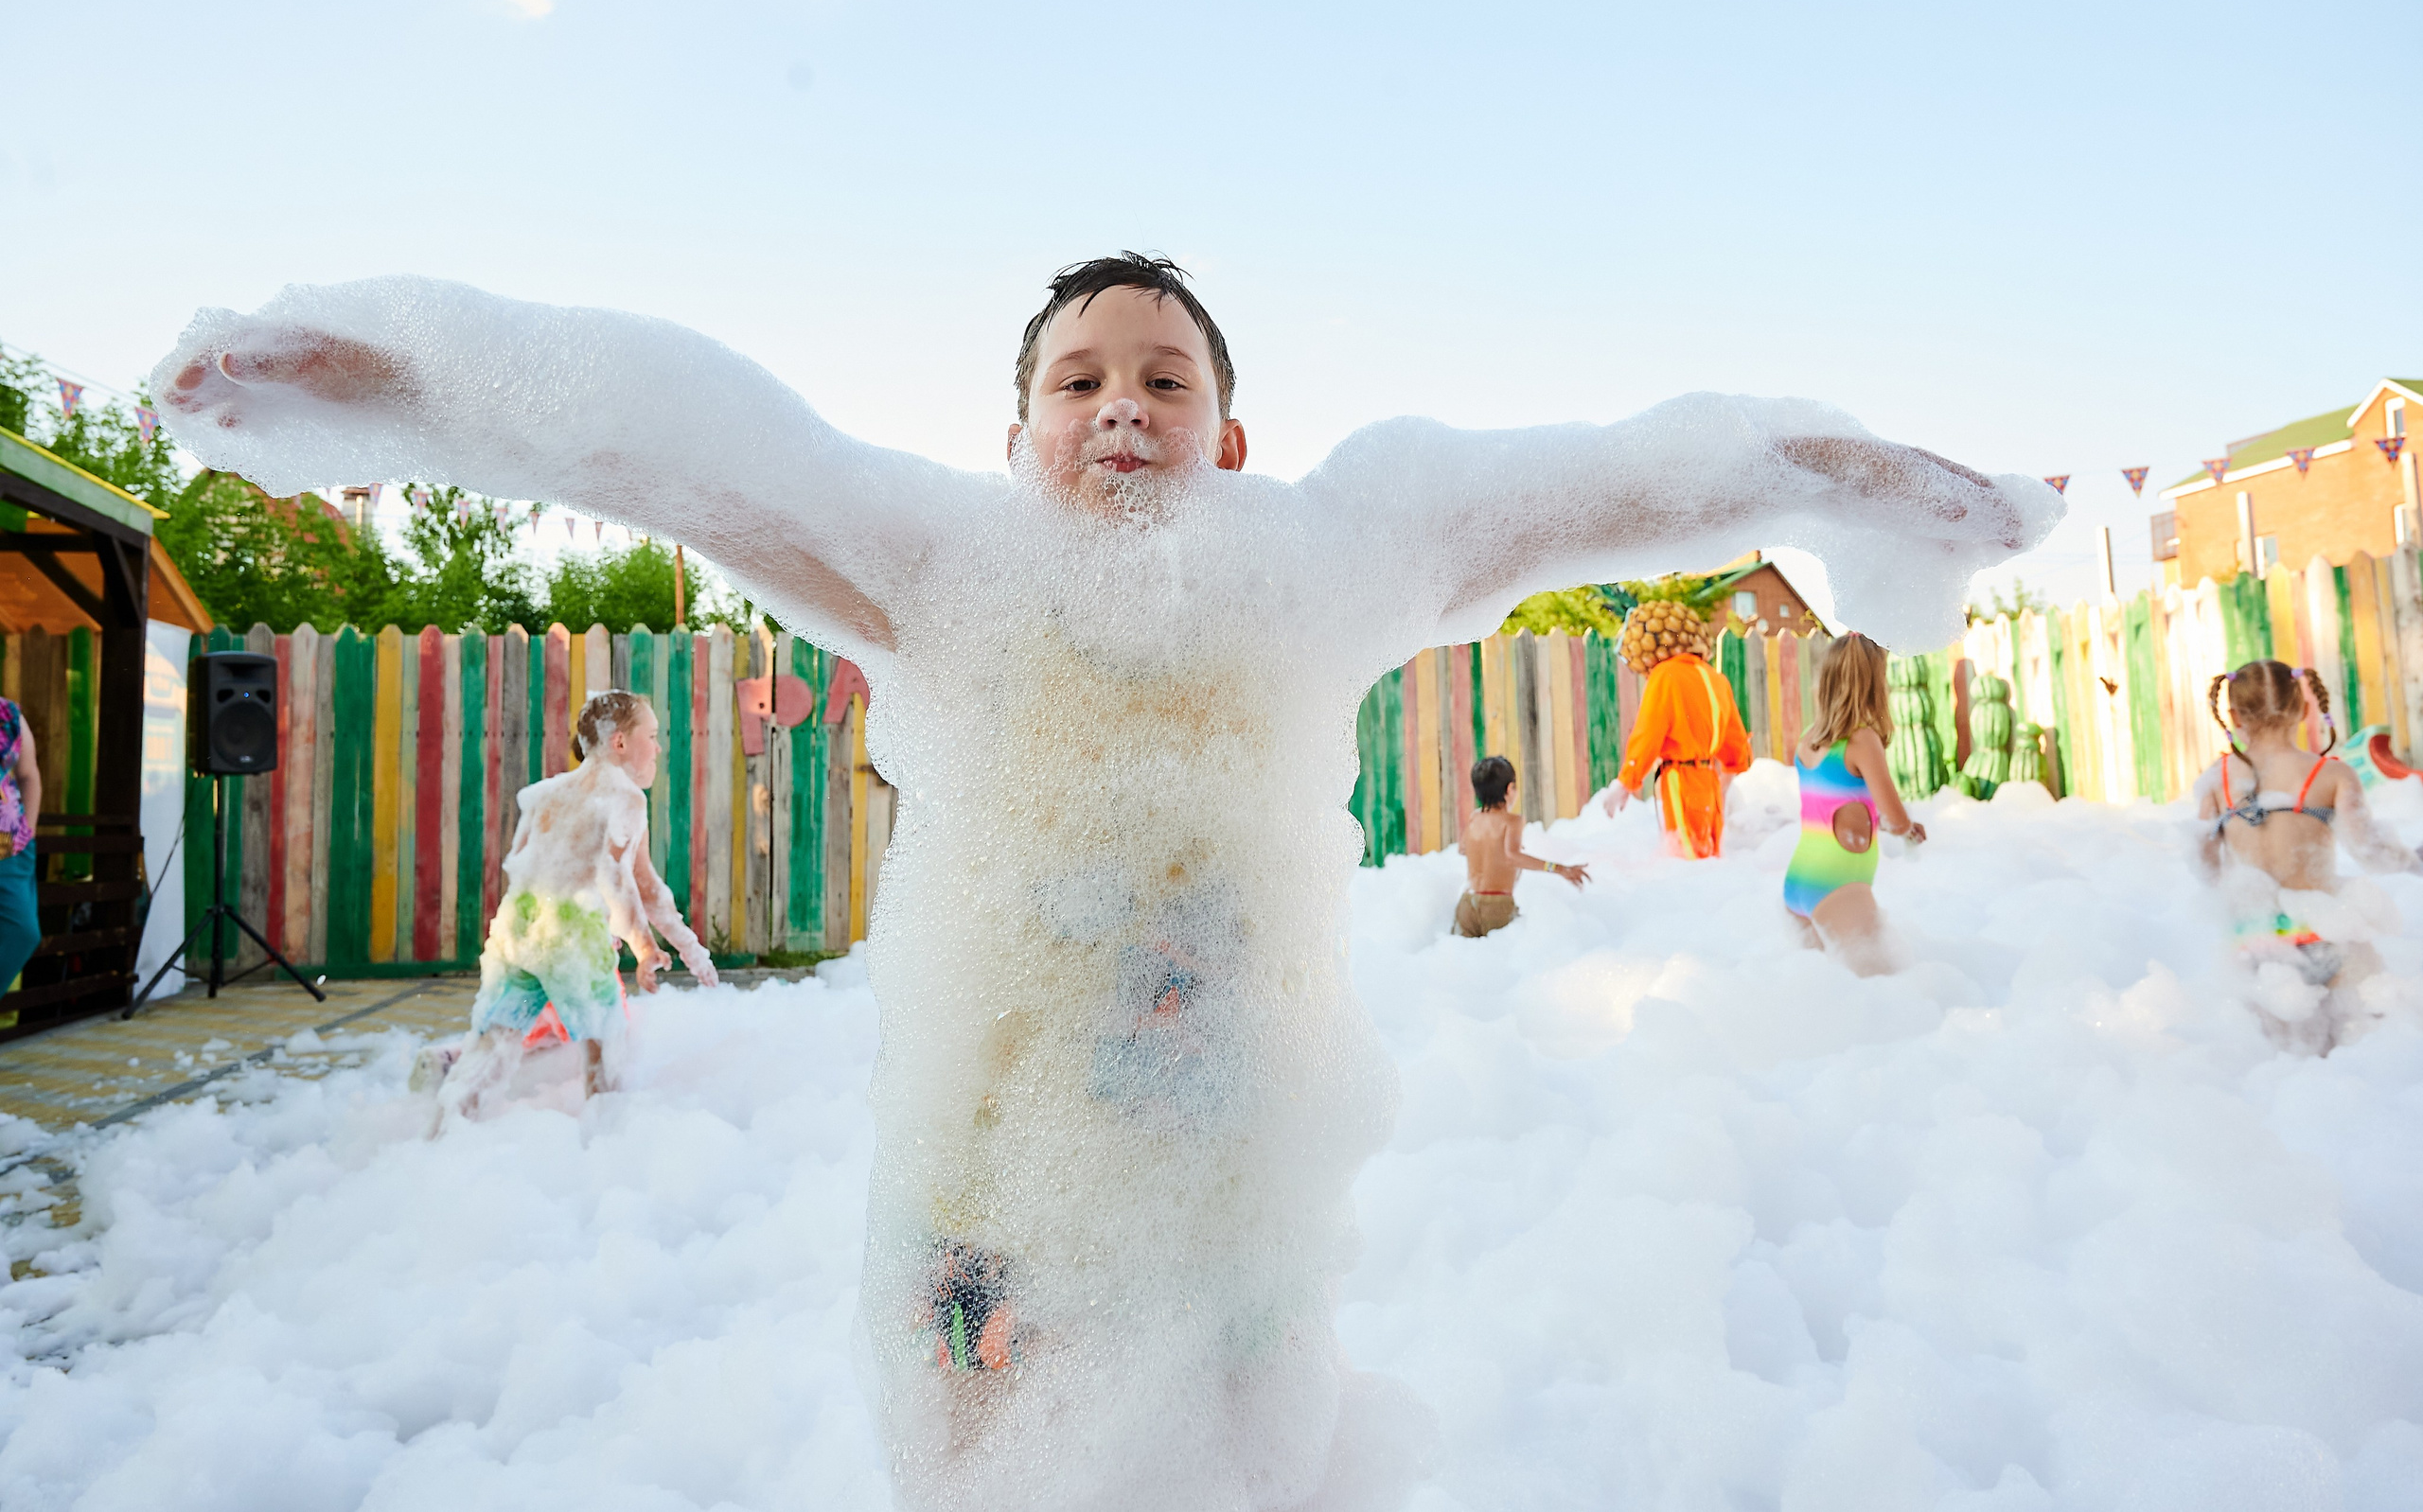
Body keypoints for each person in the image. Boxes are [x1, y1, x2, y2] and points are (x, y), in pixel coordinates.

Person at [151, 252, 2054, 1508]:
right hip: (983, 1218)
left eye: (1161, 374)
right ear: (1015, 433)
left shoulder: (1324, 558)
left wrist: (1838, 476)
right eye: (1075, 377)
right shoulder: (934, 562)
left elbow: (1595, 489)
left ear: (1233, 439)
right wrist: (387, 382)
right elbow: (679, 461)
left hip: (1225, 1218)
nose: (1118, 401)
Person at [433, 690, 716, 1121]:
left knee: (491, 1047)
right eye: (652, 735)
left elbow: (523, 865)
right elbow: (620, 880)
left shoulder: (544, 794)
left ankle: (440, 1138)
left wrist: (688, 947)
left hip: (517, 928)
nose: (658, 747)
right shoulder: (626, 798)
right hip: (573, 935)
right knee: (606, 1049)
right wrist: (644, 947)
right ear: (619, 742)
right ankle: (604, 1148)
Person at [2193, 659, 2421, 1050]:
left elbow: (2204, 861)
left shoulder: (2218, 780)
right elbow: (2370, 852)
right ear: (2303, 708)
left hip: (2253, 945)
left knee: (2278, 1067)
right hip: (2320, 933)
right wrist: (2414, 860)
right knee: (2353, 1057)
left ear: (2233, 716)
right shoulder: (2330, 775)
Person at [1782, 633, 1923, 976]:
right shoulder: (1862, 740)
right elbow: (1895, 818)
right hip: (1838, 884)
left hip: (1798, 881)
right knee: (1885, 988)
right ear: (1875, 685)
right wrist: (1909, 831)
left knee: (1825, 991)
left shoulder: (1809, 739)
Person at [1605, 612, 1753, 856]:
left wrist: (1625, 782)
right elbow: (1735, 741)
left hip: (1681, 781)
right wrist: (1726, 780)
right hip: (1710, 782)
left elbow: (1648, 733)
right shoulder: (1716, 678)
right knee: (1710, 858)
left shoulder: (1665, 675)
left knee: (1685, 859)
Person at [1453, 755, 1588, 936]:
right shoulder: (1512, 821)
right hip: (1496, 905)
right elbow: (1512, 856)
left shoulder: (1474, 818)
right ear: (1509, 789)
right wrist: (1559, 869)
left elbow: (1462, 849)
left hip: (1466, 905)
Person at [0, 697, 40, 1031]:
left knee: (24, 931)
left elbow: (28, 775)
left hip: (9, 844)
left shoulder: (8, 714)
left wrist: (29, 828)